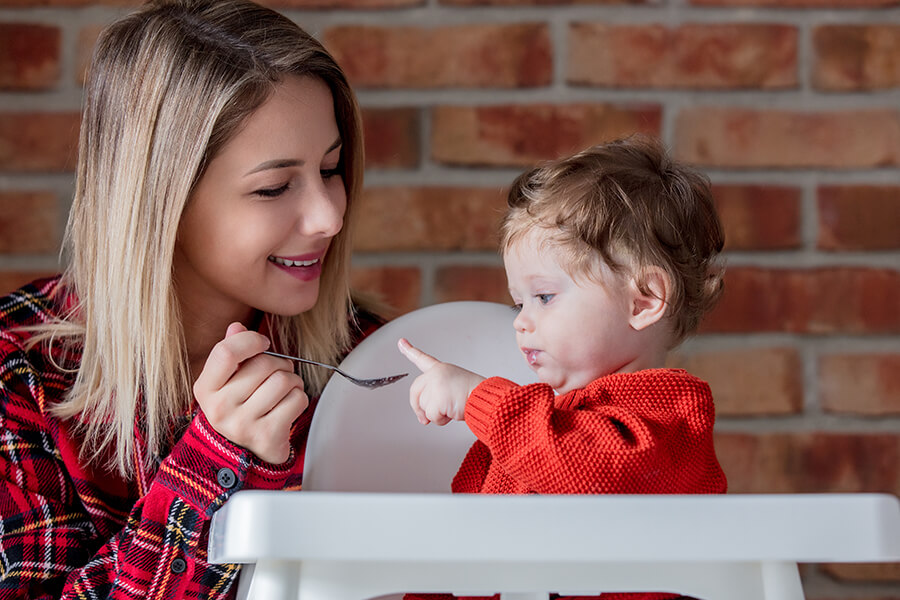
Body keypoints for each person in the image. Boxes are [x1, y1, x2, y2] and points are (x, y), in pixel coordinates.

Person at [0, 1, 381, 598]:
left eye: (331, 169)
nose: (330, 216)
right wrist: (210, 464)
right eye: (274, 186)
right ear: (161, 204)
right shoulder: (15, 377)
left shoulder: (371, 360)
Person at [398, 135, 728, 600]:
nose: (521, 322)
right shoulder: (549, 424)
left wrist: (478, 398)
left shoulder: (669, 419)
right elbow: (467, 544)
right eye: (518, 302)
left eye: (545, 297)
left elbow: (583, 469)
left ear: (644, 300)